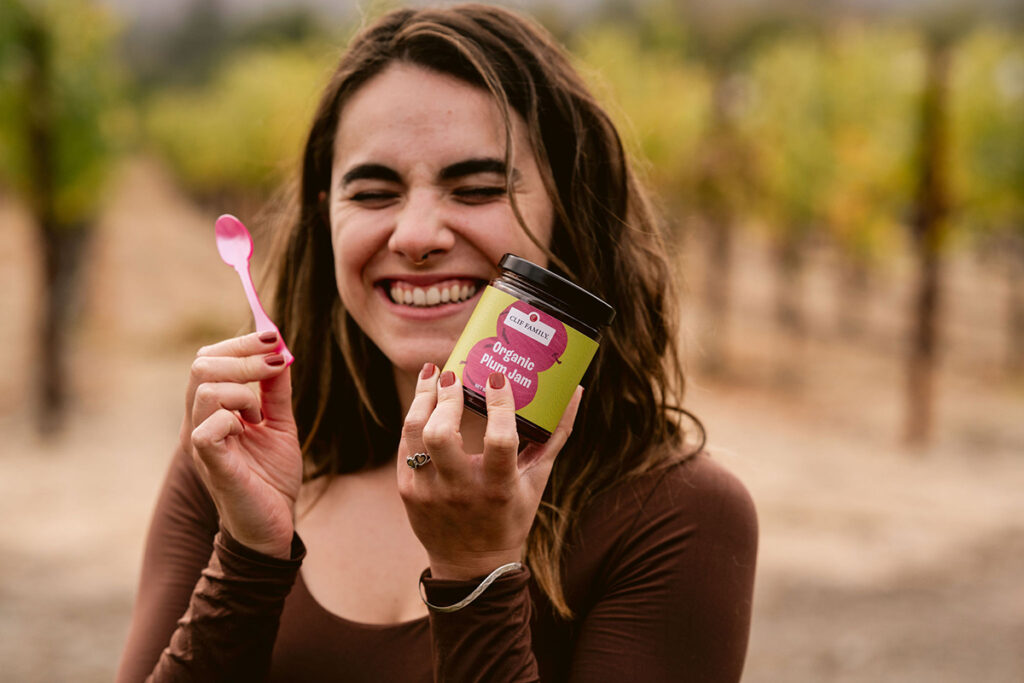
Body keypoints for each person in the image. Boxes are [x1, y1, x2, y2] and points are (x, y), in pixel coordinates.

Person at [116, 4, 758, 681]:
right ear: (324, 216)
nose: (417, 235)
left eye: (477, 187)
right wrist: (249, 556)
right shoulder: (230, 469)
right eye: (373, 192)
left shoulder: (674, 515)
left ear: (568, 213)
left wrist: (476, 573)